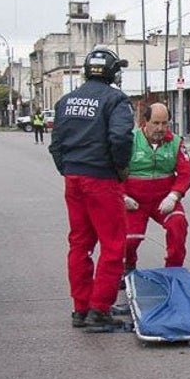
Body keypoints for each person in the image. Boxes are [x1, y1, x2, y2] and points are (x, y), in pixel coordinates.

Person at [49, 47, 134, 329]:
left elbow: (56, 144)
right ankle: (100, 307)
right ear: (112, 72)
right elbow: (121, 138)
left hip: (73, 178)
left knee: (80, 244)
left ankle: (80, 307)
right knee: (112, 245)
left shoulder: (66, 101)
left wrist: (68, 168)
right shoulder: (116, 100)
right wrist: (120, 170)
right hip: (102, 179)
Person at [123, 103, 190, 272]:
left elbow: (185, 172)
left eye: (164, 123)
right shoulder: (129, 141)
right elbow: (113, 172)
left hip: (164, 199)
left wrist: (174, 196)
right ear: (144, 122)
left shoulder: (176, 143)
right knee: (130, 239)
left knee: (178, 224)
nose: (160, 128)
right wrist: (122, 196)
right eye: (155, 123)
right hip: (134, 202)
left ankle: (173, 270)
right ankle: (128, 266)